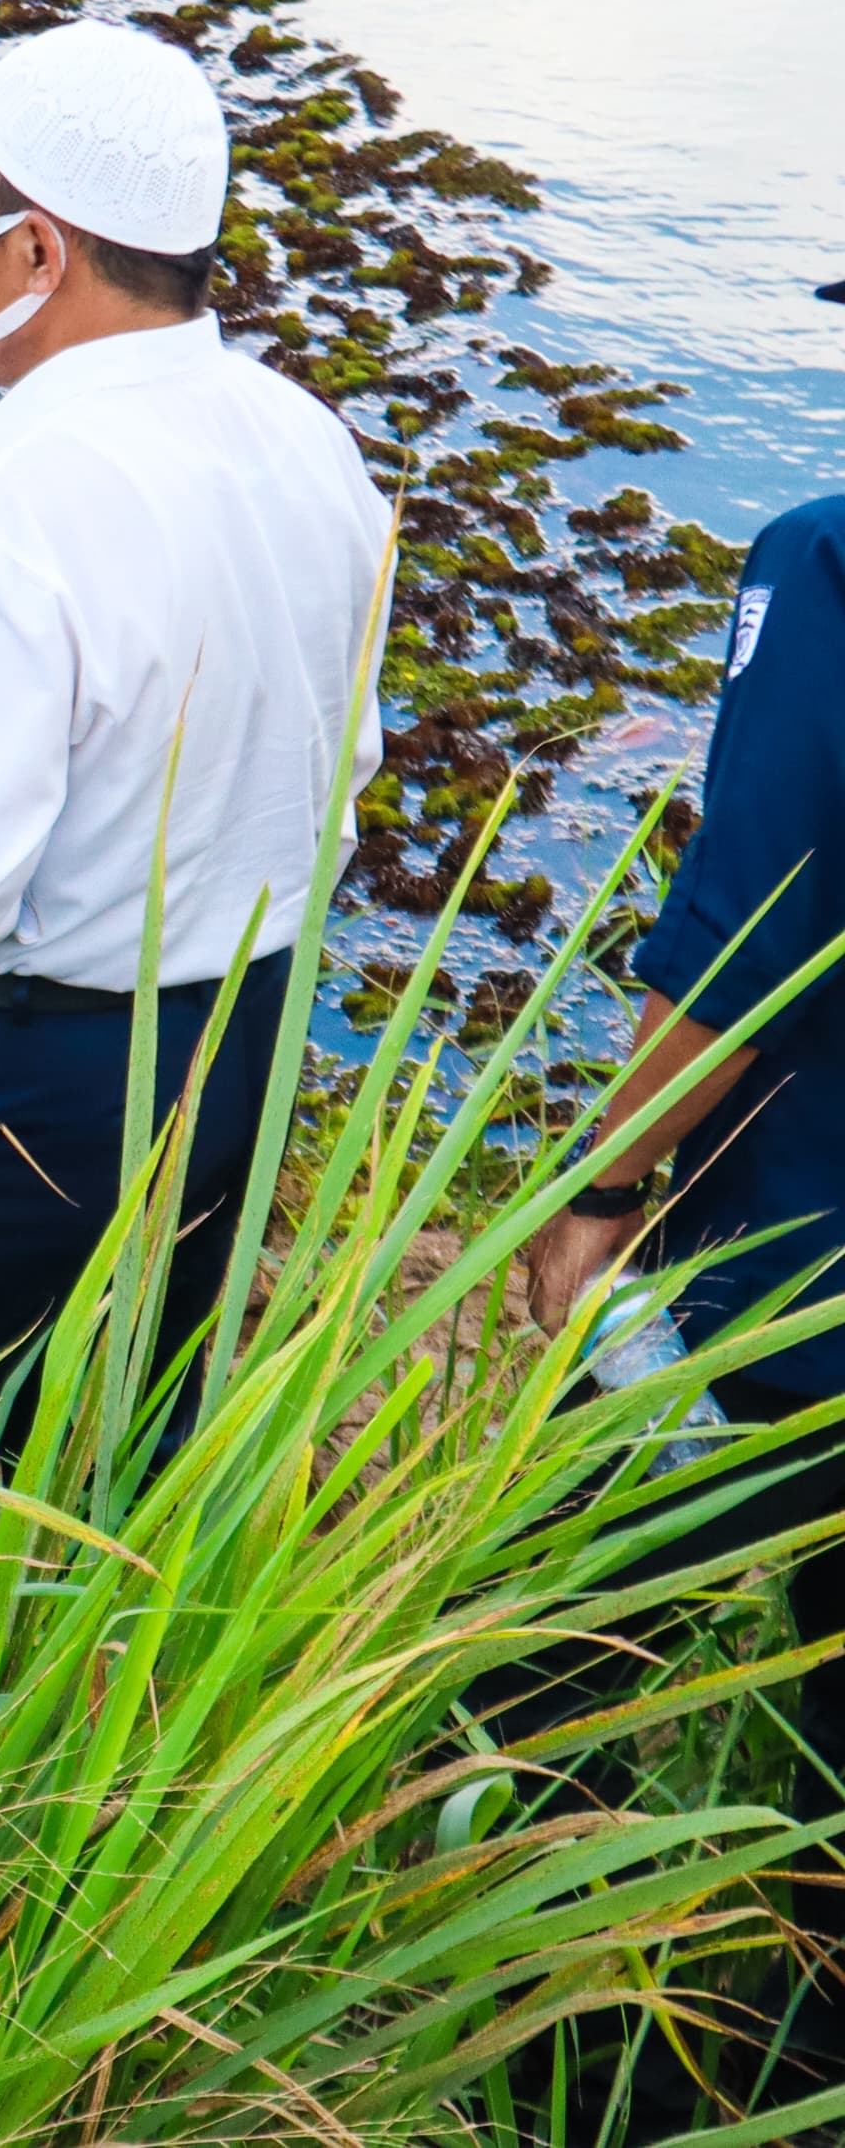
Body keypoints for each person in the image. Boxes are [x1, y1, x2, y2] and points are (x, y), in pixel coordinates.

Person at [0, 19, 388, 1436]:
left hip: (39, 1084)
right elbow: (335, 782)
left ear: (37, 253)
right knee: (120, 1432)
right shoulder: (309, 439)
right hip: (248, 1047)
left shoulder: (19, 502)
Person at [486, 494, 845, 1928]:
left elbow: (750, 928)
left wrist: (606, 1183)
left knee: (544, 1665)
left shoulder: (821, 564)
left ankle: (536, 2030)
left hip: (788, 1279)